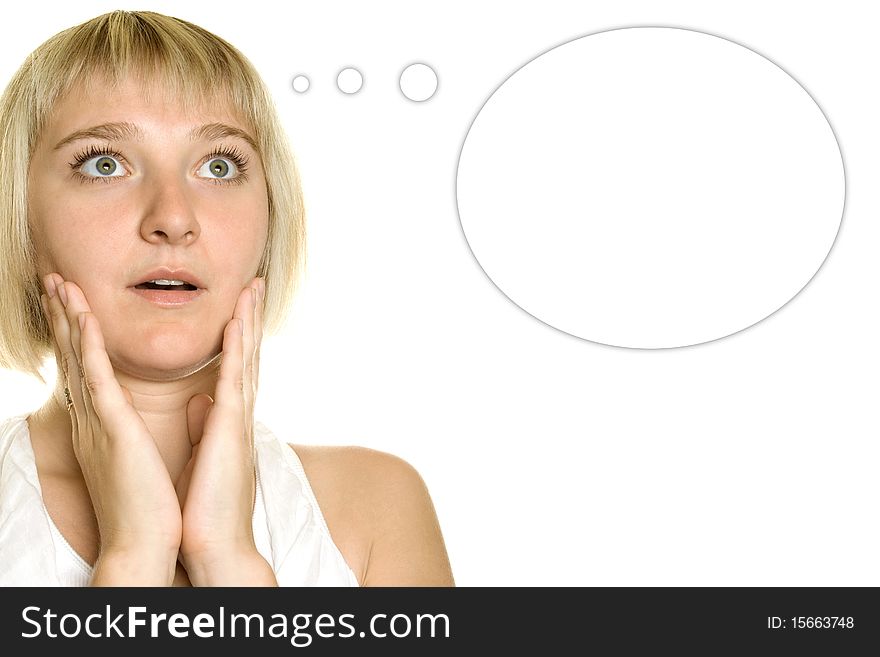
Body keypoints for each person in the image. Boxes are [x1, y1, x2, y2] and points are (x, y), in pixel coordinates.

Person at [0, 10, 454, 586]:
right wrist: (134, 555)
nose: (172, 218)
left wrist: (226, 559)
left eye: (218, 166)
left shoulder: (375, 510)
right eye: (104, 164)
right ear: (20, 221)